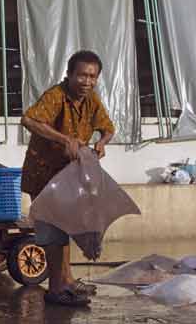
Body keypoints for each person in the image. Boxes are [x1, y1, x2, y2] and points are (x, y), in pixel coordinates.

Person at [20, 50, 115, 306]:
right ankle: (55, 290)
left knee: (65, 228)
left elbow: (108, 128)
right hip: (43, 175)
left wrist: (102, 143)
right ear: (69, 75)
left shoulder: (91, 99)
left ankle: (68, 281)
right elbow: (28, 119)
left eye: (92, 76)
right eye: (82, 75)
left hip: (68, 176)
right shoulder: (56, 96)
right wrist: (65, 140)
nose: (87, 81)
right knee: (52, 232)